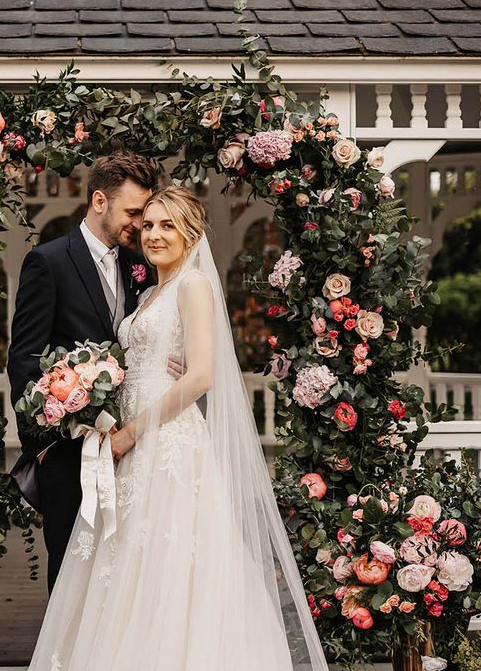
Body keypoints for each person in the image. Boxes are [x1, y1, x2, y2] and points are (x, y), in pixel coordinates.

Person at [27, 187, 328, 671]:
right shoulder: (148, 293)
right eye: (147, 225)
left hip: (166, 441)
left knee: (170, 558)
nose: (153, 235)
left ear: (190, 234)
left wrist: (132, 431)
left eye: (167, 225)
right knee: (126, 564)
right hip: (129, 442)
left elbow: (203, 374)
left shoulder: (194, 287)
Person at [7, 151, 157, 593]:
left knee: (125, 569)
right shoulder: (48, 262)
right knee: (71, 569)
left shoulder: (141, 264)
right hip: (69, 451)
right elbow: (25, 359)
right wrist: (44, 445)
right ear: (98, 201)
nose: (139, 224)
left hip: (130, 446)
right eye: (132, 212)